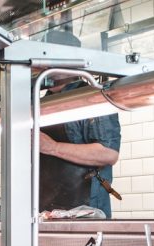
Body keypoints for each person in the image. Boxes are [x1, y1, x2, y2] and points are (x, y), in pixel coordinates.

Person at [36, 30, 122, 218]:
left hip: (85, 210)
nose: (46, 62)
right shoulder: (39, 102)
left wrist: (52, 147)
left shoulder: (92, 97)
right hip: (46, 210)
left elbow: (108, 153)